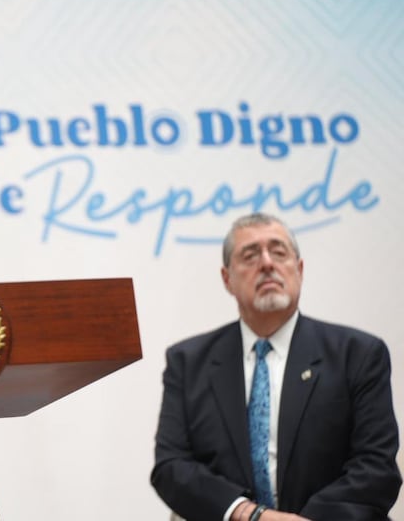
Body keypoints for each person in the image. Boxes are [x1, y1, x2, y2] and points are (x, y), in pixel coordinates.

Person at [151, 212, 401, 521]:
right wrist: (248, 514)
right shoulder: (188, 362)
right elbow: (171, 467)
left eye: (279, 252)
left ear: (299, 269)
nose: (267, 263)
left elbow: (376, 468)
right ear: (227, 279)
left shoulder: (358, 354)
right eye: (250, 255)